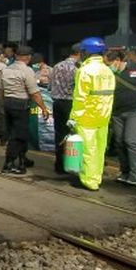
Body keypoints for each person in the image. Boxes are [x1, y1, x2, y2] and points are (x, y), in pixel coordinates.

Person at [105, 50, 136, 186]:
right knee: (120, 142)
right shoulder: (108, 73)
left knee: (131, 141)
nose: (109, 66)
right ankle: (125, 171)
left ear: (118, 60)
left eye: (110, 64)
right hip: (116, 112)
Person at [69, 37, 115, 191]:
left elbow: (80, 97)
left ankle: (88, 181)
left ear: (86, 52)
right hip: (104, 116)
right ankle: (96, 177)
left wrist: (74, 117)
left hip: (87, 116)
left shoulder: (85, 70)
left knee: (88, 150)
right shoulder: (108, 70)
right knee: (100, 149)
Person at [1, 45, 50, 174]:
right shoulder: (27, 71)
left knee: (18, 133)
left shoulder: (6, 69)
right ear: (28, 58)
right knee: (18, 136)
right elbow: (34, 93)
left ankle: (23, 159)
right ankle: (9, 163)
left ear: (16, 56)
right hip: (20, 105)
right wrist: (44, 108)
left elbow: (2, 89)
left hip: (8, 103)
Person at [49, 45, 81, 174]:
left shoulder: (56, 66)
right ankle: (71, 162)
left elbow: (50, 86)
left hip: (57, 103)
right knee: (73, 134)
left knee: (59, 133)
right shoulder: (77, 69)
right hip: (71, 103)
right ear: (79, 54)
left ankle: (59, 164)